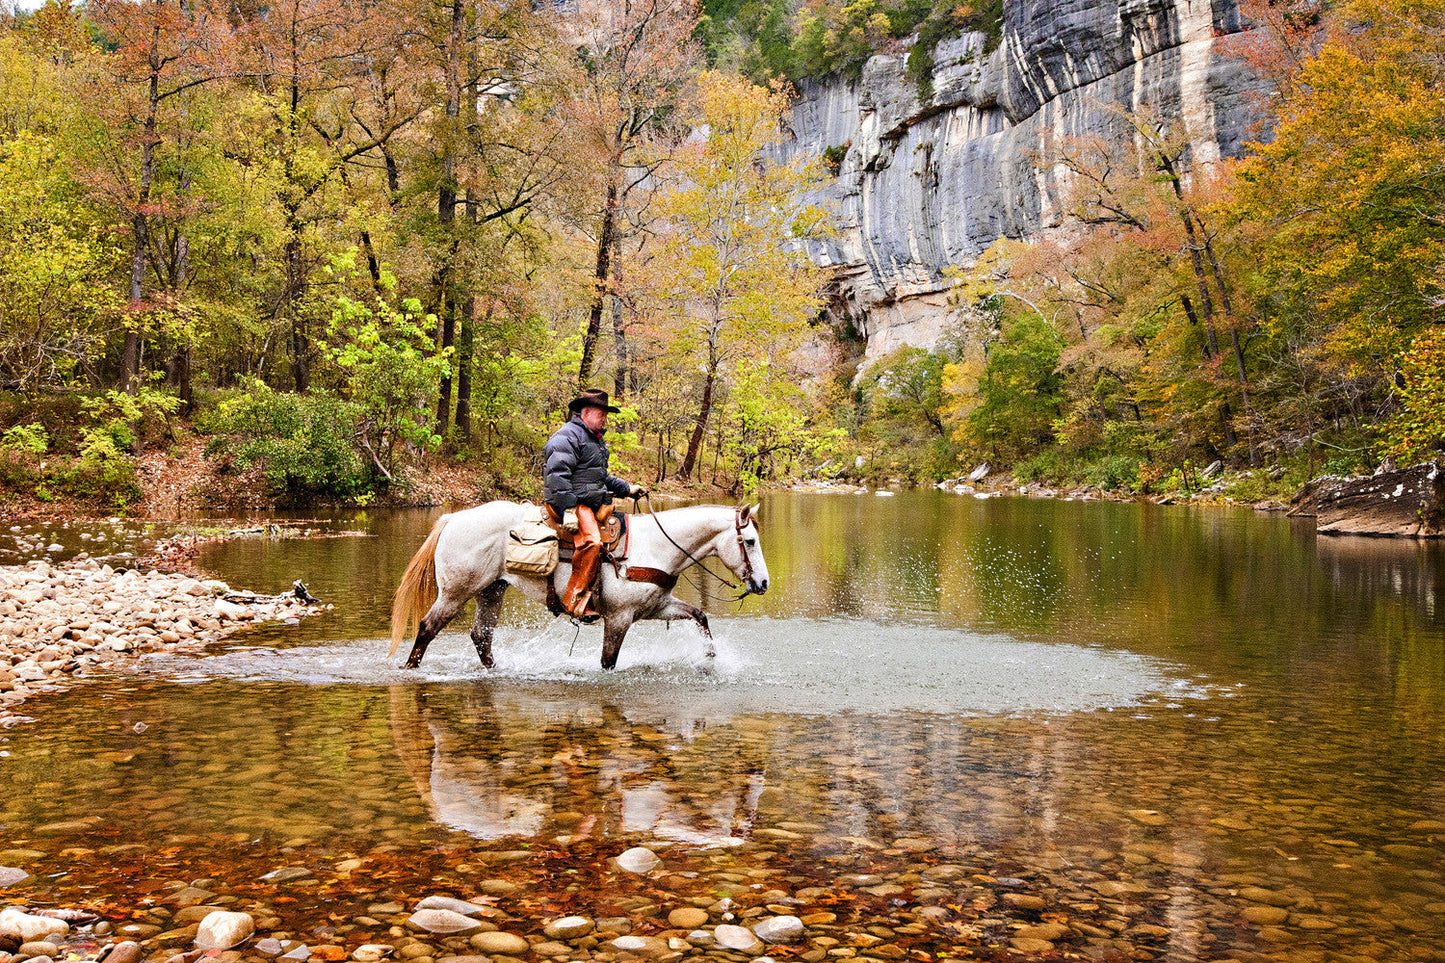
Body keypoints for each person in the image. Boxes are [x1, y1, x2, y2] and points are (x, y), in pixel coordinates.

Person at [543, 388, 645, 622]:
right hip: (571, 502)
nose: (605, 419)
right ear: (586, 413)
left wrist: (626, 488)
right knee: (592, 541)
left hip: (586, 500)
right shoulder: (566, 437)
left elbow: (599, 477)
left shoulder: (592, 439)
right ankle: (574, 600)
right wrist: (567, 509)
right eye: (602, 414)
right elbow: (557, 476)